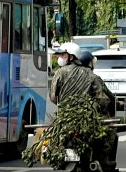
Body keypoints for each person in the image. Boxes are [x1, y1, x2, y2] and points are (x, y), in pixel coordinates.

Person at [49, 43, 119, 172]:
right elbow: (102, 99)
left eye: (63, 55)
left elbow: (53, 98)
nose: (60, 58)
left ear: (71, 56)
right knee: (109, 132)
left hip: (65, 119)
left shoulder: (59, 73)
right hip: (87, 118)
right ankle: (104, 161)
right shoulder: (90, 74)